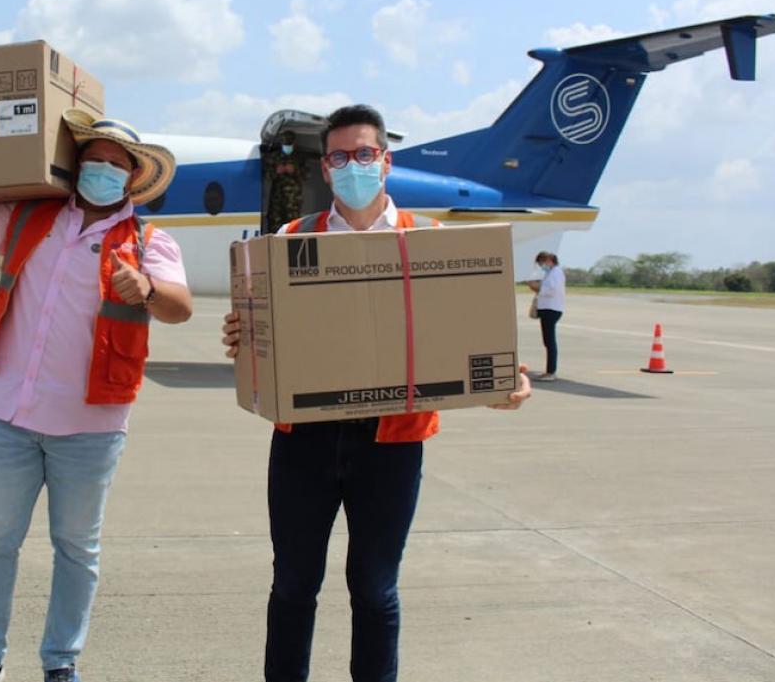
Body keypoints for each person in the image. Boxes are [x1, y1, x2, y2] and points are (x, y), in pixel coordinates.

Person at [220, 104, 532, 682]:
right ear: (326, 167)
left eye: (364, 154)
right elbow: (258, 335)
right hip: (303, 441)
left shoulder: (435, 244)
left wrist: (504, 382)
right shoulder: (290, 240)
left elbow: (469, 339)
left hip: (391, 443)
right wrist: (243, 335)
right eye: (339, 157)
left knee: (375, 587)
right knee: (293, 583)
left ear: (385, 162)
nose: (352, 166)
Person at [0, 110, 193, 682]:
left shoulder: (149, 239)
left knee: (77, 549)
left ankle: (61, 662)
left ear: (131, 178)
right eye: (92, 161)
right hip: (7, 413)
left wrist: (148, 288)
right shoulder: (30, 218)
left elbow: (180, 305)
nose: (100, 170)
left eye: (114, 165)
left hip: (90, 425)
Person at [525, 251, 565, 381]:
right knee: (548, 341)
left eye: (541, 262)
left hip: (551, 309)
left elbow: (551, 290)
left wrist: (537, 287)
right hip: (548, 309)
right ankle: (549, 371)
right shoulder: (550, 273)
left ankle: (551, 372)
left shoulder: (556, 273)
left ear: (549, 260)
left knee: (549, 341)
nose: (541, 265)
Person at [263, 130, 308, 233]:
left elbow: (306, 176)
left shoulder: (299, 157)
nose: (287, 146)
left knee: (293, 226)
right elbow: (266, 175)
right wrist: (276, 171)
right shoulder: (274, 157)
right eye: (285, 143)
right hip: (277, 199)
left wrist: (295, 170)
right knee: (275, 226)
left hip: (293, 200)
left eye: (289, 143)